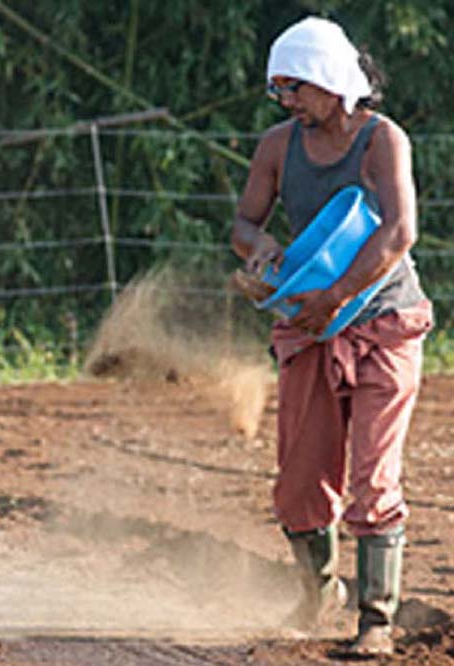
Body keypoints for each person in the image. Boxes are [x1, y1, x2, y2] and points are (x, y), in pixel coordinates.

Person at [231, 16, 433, 655]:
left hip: (384, 321)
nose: (287, 101)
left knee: (375, 476)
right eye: (280, 91)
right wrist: (260, 251)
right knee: (299, 479)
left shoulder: (382, 141)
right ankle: (317, 595)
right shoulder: (276, 146)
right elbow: (244, 222)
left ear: (330, 81)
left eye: (294, 87)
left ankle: (376, 620)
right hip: (308, 325)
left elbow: (399, 234)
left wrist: (337, 297)